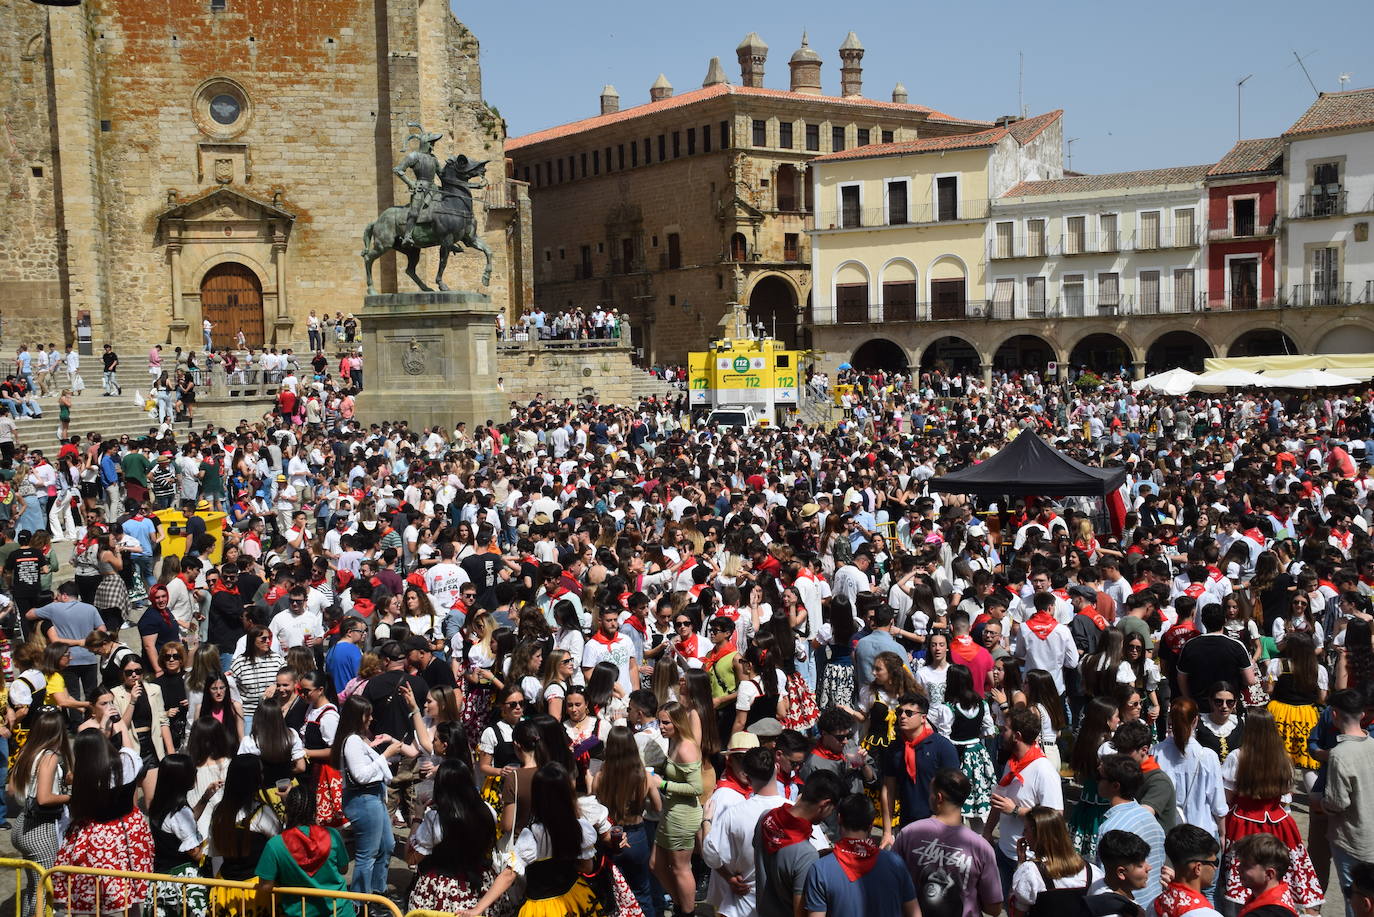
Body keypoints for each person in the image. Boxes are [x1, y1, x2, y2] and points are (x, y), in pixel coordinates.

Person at [462, 761, 605, 917]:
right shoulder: (579, 828)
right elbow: (586, 867)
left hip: (541, 908)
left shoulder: (532, 836)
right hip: (574, 899)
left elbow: (508, 875)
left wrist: (477, 909)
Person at [51, 706, 155, 915]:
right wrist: (112, 724)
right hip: (129, 829)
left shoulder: (84, 776)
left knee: (97, 892)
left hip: (97, 834)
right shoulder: (127, 761)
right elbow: (127, 746)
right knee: (131, 887)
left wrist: (101, 729)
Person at [1220, 709, 1323, 914]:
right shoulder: (1283, 758)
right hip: (1279, 822)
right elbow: (1286, 795)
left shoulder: (1238, 756)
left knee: (1244, 875)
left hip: (1244, 822)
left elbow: (1227, 797)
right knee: (1282, 871)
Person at [892, 766, 1003, 917]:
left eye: (930, 793)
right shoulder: (982, 848)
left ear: (938, 797)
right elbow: (994, 908)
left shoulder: (909, 833)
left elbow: (891, 882)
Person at [985, 705, 1066, 898]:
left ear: (1017, 736)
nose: (1001, 733)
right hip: (1004, 851)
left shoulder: (1044, 770)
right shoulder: (1012, 763)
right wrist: (987, 832)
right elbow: (1000, 803)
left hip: (1029, 859)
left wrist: (1015, 810)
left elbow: (1055, 816)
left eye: (1005, 730)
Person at [331, 695, 403, 901]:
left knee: (387, 845)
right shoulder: (352, 740)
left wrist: (378, 752)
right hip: (363, 799)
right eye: (367, 715)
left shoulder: (359, 739)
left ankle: (378, 892)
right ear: (358, 716)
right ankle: (360, 901)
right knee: (368, 853)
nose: (371, 718)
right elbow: (361, 776)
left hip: (372, 797)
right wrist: (385, 754)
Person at [702, 744, 786, 917]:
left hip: (743, 906)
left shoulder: (734, 814)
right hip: (782, 905)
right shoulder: (794, 810)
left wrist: (706, 822)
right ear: (777, 768)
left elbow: (711, 855)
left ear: (747, 776)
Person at [804, 793, 919, 917]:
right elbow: (914, 913)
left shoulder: (820, 870)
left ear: (839, 818)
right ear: (871, 825)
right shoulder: (895, 863)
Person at [6, 709, 71, 917]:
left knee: (34, 888)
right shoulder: (49, 756)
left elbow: (11, 789)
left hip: (22, 824)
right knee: (44, 889)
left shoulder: (27, 751)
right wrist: (71, 797)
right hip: (40, 830)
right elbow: (44, 798)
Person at [255, 784, 355, 917]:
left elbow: (265, 886)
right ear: (315, 810)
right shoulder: (332, 835)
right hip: (341, 911)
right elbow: (343, 869)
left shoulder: (275, 845)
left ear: (287, 810)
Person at [754, 769, 842, 917]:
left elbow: (781, 861)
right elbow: (800, 912)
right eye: (832, 809)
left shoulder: (766, 818)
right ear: (825, 804)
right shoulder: (806, 854)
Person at [1317, 688, 1374, 917]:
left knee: (1355, 899)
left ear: (1334, 714)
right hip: (1370, 836)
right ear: (1362, 714)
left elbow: (1337, 803)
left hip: (1351, 839)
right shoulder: (1372, 745)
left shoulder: (1340, 754)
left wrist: (1320, 802)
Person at [880, 692, 960, 844]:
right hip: (907, 825)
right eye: (900, 712)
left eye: (909, 713)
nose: (902, 716)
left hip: (939, 827)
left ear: (923, 718)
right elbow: (888, 790)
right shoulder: (894, 748)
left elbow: (955, 791)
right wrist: (887, 832)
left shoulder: (942, 747)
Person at [650, 699, 702, 916]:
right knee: (655, 864)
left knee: (681, 868)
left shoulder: (686, 747)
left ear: (678, 723)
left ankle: (687, 912)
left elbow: (696, 788)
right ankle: (680, 904)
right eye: (659, 722)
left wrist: (662, 784)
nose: (661, 727)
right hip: (671, 812)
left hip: (683, 816)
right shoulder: (673, 741)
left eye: (666, 723)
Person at [1095, 753, 1165, 910]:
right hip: (1152, 904)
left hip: (1126, 908)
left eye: (1100, 777)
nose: (1096, 781)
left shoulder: (1110, 829)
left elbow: (1107, 877)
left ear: (1115, 786)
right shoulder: (1149, 817)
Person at [1009, 806, 1101, 917]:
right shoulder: (1092, 871)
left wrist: (1021, 864)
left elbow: (1018, 912)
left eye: (1026, 830)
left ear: (1037, 835)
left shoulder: (1031, 872)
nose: (1023, 834)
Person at [1176, 605, 1258, 709]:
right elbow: (1250, 680)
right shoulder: (1237, 646)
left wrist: (1189, 700)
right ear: (1224, 620)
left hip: (1200, 707)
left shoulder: (1190, 645)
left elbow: (1182, 678)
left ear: (1203, 621)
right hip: (1228, 707)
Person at [1155, 824, 1224, 917]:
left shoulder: (1156, 904)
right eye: (1215, 862)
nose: (1215, 868)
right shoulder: (1206, 914)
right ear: (1198, 868)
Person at [1229, 834, 1301, 917]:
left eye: (1246, 866)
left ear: (1269, 874)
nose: (1238, 869)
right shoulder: (1279, 899)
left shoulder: (1269, 913)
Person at [1089, 829, 1154, 917]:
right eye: (1140, 865)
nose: (1149, 868)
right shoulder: (1111, 914)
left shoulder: (1099, 883)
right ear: (1121, 873)